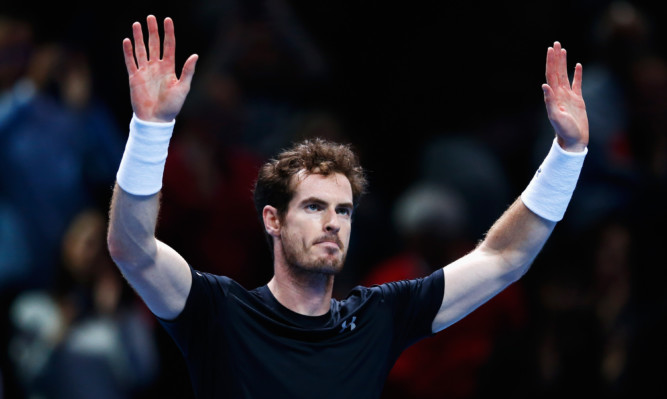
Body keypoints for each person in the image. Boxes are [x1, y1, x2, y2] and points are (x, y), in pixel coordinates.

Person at [107, 15, 589, 399]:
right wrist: (150, 130)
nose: (333, 223)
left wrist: (567, 156)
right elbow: (133, 249)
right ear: (272, 219)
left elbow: (504, 258)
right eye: (314, 206)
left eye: (343, 210)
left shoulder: (380, 317)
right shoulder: (220, 313)